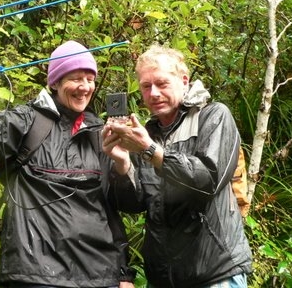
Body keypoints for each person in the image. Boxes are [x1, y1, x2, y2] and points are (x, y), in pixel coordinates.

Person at [0, 38, 135, 287]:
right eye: (75, 78)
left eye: (90, 79)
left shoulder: (101, 133)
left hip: (100, 277)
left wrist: (124, 274)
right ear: (55, 81)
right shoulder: (27, 122)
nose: (85, 87)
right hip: (35, 276)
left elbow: (113, 210)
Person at [102, 44, 252, 288]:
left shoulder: (213, 116)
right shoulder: (147, 133)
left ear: (184, 81)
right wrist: (122, 163)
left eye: (162, 84)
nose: (154, 94)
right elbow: (135, 204)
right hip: (164, 279)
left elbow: (208, 180)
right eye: (146, 86)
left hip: (215, 273)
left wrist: (151, 150)